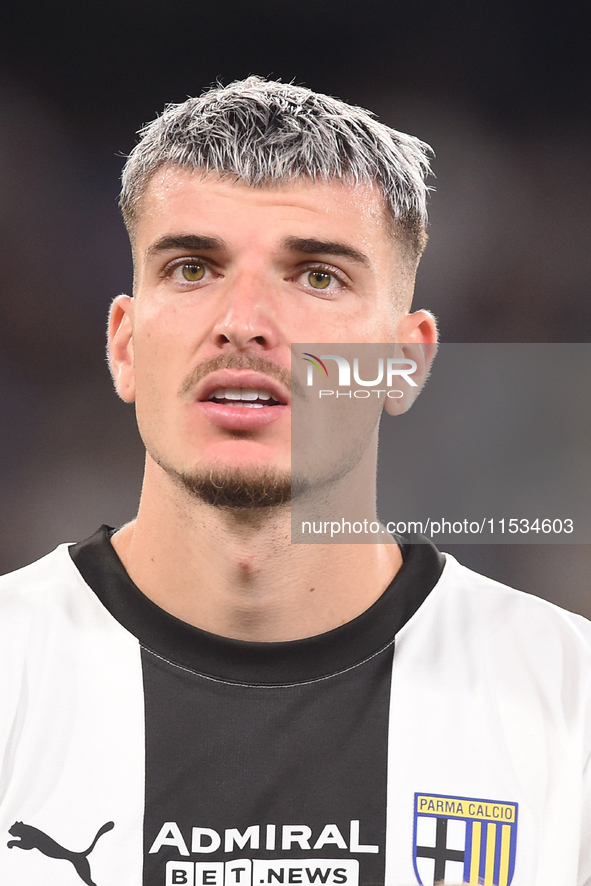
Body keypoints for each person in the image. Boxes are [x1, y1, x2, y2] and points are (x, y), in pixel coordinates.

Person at [0, 77, 589, 886]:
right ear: (126, 345)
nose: (244, 320)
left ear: (405, 360)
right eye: (192, 267)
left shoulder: (567, 702)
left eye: (316, 277)